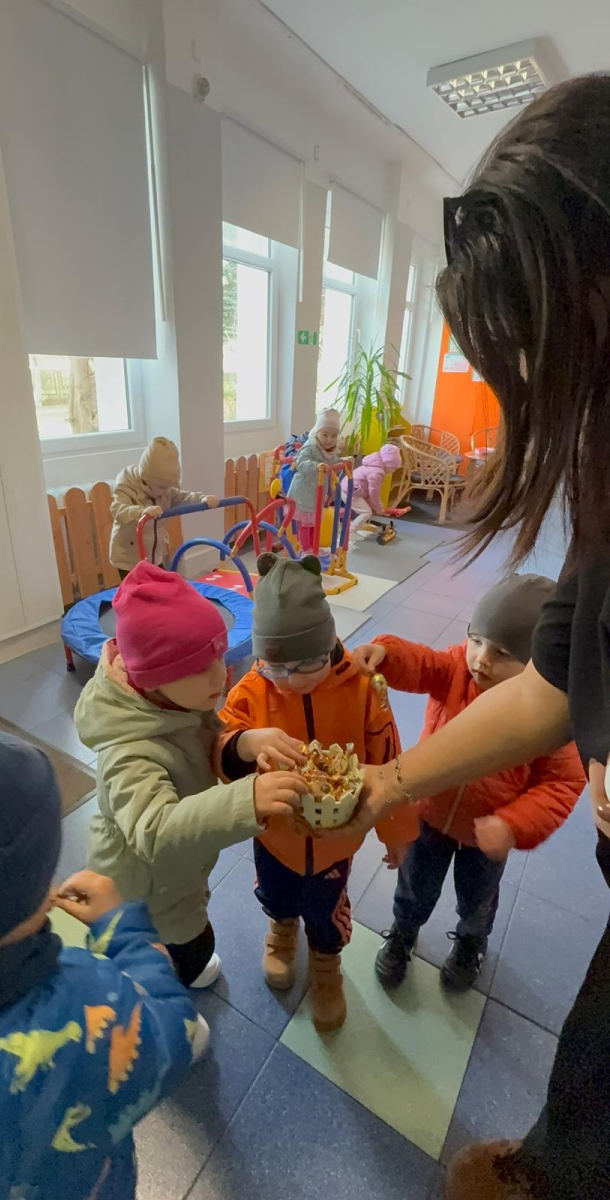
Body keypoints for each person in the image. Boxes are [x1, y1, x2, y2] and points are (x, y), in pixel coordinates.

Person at [329, 74, 610, 1200]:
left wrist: (514, 820)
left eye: (533, 346)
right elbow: (538, 681)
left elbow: (552, 758)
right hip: (445, 830)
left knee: (471, 915)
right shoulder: (598, 485)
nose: (529, 383)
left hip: (487, 846)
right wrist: (392, 782)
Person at [0, 724, 205, 1200]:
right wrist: (127, 935)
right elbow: (175, 1032)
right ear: (4, 907)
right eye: (42, 874)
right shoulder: (87, 998)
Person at [74, 560, 307, 990]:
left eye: (218, 656)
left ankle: (188, 966)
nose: (221, 673)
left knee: (192, 933)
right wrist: (247, 799)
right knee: (163, 960)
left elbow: (203, 744)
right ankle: (171, 1008)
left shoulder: (174, 702)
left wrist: (242, 744)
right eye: (199, 667)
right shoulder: (128, 752)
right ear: (154, 677)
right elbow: (156, 830)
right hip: (140, 892)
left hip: (179, 876)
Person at [353, 575, 585, 991]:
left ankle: (470, 943)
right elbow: (423, 664)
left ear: (536, 665)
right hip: (429, 814)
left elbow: (563, 783)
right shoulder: (457, 669)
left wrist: (514, 824)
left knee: (478, 900)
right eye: (476, 640)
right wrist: (387, 653)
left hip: (486, 835)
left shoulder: (545, 715)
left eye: (502, 652)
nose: (481, 659)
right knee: (414, 887)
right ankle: (403, 933)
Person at [217, 552, 418, 1032]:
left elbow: (390, 761)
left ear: (328, 644)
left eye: (307, 663)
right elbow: (221, 743)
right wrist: (245, 743)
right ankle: (281, 934)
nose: (293, 680)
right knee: (275, 892)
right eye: (277, 667)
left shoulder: (362, 689)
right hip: (274, 835)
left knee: (327, 913)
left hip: (335, 842)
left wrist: (396, 831)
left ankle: (326, 967)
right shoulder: (253, 689)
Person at [109, 436, 218, 574]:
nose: (165, 490)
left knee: (161, 583)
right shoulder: (127, 485)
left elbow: (182, 497)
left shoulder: (164, 490)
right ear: (147, 478)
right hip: (129, 558)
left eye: (168, 486)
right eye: (162, 486)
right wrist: (141, 512)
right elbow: (118, 509)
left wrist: (202, 498)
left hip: (154, 554)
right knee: (139, 587)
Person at [287, 408, 343, 551]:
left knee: (315, 524)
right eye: (325, 435)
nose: (329, 439)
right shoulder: (310, 446)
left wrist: (343, 461)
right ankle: (306, 550)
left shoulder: (330, 450)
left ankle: (313, 547)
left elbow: (333, 463)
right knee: (306, 525)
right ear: (317, 433)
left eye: (334, 436)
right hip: (303, 494)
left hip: (317, 495)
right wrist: (317, 466)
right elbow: (300, 462)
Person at [342, 442, 402, 543]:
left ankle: (352, 529)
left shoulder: (374, 465)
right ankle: (350, 533)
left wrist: (376, 507)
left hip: (349, 488)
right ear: (387, 463)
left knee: (366, 511)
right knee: (366, 512)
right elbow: (374, 492)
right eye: (393, 468)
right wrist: (378, 508)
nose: (394, 471)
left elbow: (370, 492)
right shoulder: (377, 472)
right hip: (350, 491)